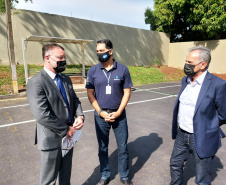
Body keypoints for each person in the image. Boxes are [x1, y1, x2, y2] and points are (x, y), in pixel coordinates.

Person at [27, 43, 84, 185]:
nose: (64, 61)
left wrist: (80, 116)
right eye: (60, 58)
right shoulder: (36, 82)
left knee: (65, 177)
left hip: (69, 139)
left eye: (65, 57)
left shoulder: (65, 79)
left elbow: (75, 100)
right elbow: (42, 115)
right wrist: (66, 129)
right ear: (47, 58)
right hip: (51, 139)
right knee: (49, 181)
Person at [170, 46, 226, 185]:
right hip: (182, 134)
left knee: (202, 177)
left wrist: (208, 126)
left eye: (190, 63)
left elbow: (224, 114)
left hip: (201, 136)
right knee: (175, 165)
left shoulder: (218, 84)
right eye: (186, 61)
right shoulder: (185, 80)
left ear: (203, 64)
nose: (186, 65)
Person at [86, 39, 133, 185]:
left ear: (110, 51)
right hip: (101, 115)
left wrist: (119, 112)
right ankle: (105, 175)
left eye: (102, 51)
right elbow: (90, 94)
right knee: (102, 148)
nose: (99, 54)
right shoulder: (93, 70)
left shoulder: (123, 69)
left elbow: (127, 92)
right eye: (97, 51)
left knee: (123, 148)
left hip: (119, 115)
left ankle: (124, 176)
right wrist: (100, 111)